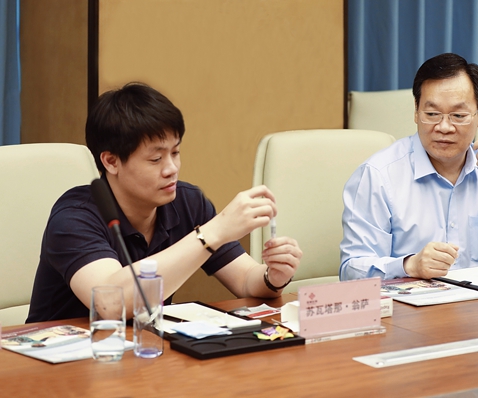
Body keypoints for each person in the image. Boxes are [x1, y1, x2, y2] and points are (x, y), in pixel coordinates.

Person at [27, 82, 302, 322]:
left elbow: (245, 280)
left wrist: (272, 277)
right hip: (61, 357)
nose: (171, 168)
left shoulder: (187, 201)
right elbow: (111, 303)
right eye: (156, 159)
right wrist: (213, 232)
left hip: (145, 351)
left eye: (176, 152)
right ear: (111, 161)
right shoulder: (74, 216)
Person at [340, 53, 478, 281]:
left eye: (458, 115)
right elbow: (351, 271)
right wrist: (409, 266)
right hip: (409, 303)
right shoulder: (378, 176)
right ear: (416, 111)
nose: (444, 127)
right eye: (432, 114)